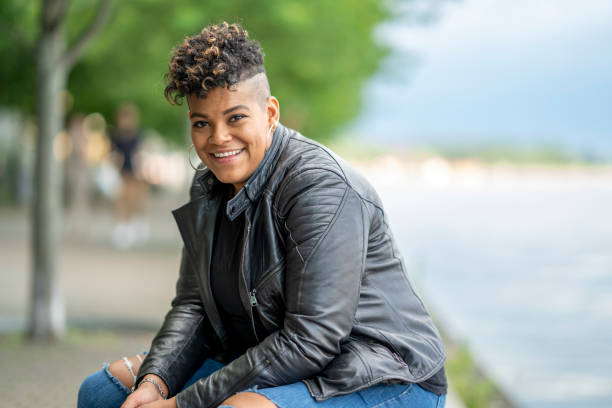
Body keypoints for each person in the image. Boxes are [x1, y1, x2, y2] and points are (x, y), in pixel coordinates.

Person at [78, 22, 448, 408]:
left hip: (383, 375)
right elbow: (193, 305)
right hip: (279, 358)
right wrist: (154, 383)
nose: (218, 137)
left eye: (235, 118)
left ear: (269, 113)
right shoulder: (208, 186)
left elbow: (312, 339)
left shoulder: (319, 187)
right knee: (102, 393)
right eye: (202, 122)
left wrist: (180, 404)